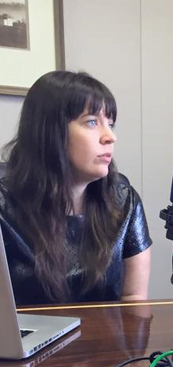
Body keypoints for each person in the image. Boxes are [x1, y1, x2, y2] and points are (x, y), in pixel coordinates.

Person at [0, 71, 152, 305]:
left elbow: (134, 300)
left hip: (105, 341)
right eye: (92, 122)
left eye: (110, 124)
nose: (110, 136)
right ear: (49, 130)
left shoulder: (123, 200)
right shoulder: (4, 205)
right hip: (24, 341)